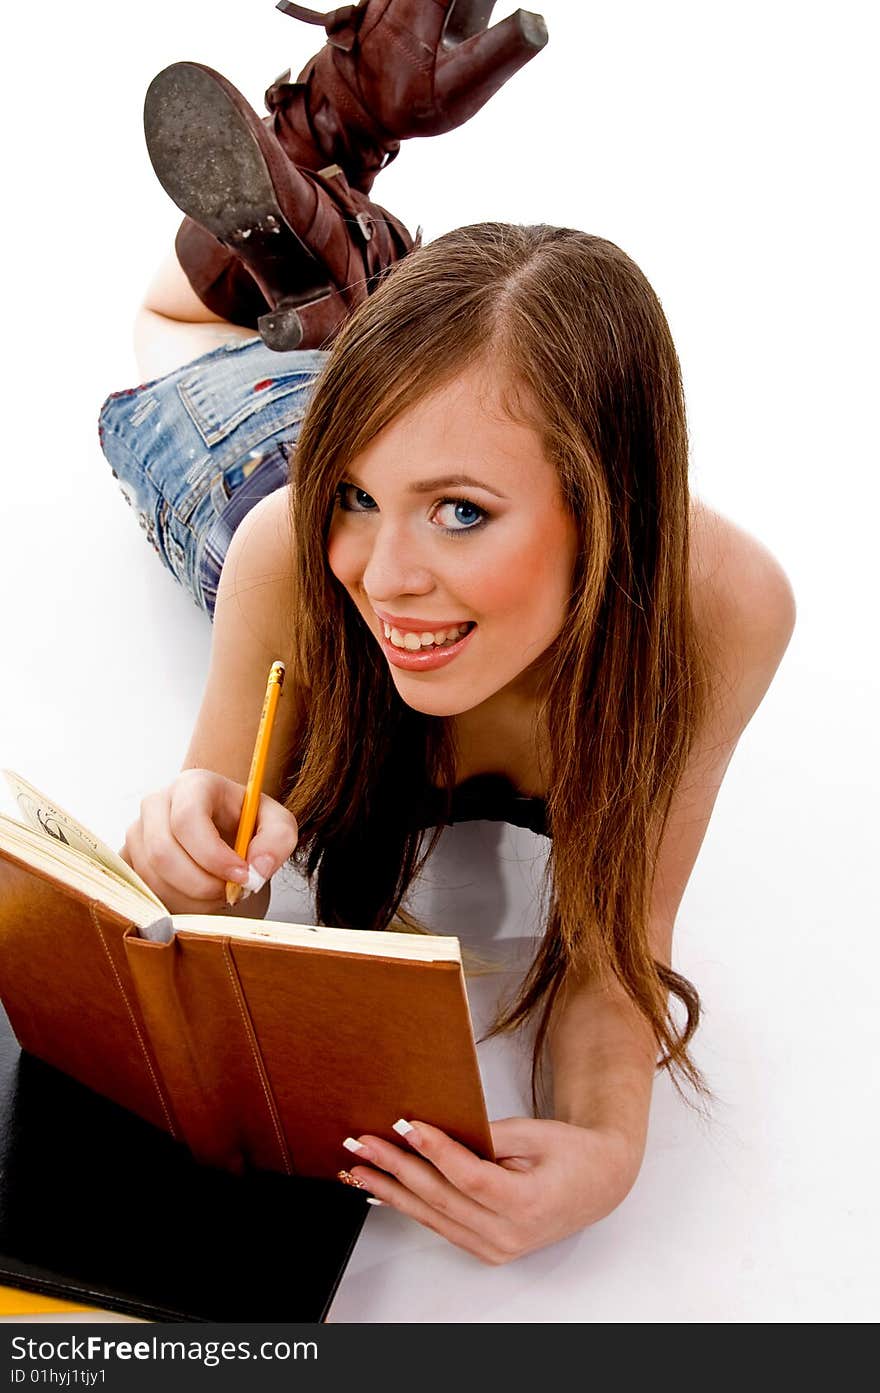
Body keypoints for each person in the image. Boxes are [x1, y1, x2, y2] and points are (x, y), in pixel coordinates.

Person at [98, 1, 796, 1264]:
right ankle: (330, 209)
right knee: (175, 328)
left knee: (371, 386)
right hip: (254, 444)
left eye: (463, 515)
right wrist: (173, 845)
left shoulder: (722, 607)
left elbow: (617, 939)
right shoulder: (296, 554)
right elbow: (193, 913)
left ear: (611, 510)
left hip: (378, 392)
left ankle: (342, 239)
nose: (385, 577)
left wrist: (605, 1150)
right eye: (360, 503)